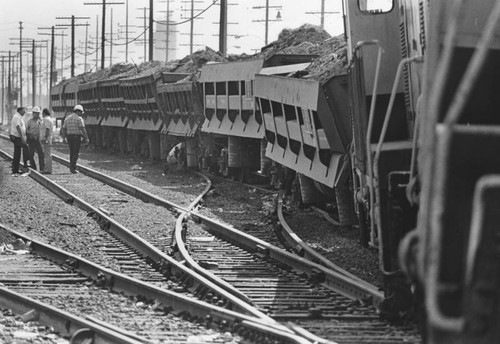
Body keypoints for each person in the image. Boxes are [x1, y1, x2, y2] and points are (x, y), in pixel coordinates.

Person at [61, 104, 89, 174]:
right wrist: (86, 138)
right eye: (81, 113)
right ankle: (73, 168)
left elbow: (63, 129)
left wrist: (64, 138)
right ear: (78, 111)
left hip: (69, 137)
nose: (81, 114)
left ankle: (72, 167)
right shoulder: (79, 119)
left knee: (71, 152)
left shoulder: (67, 118)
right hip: (76, 137)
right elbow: (82, 128)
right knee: (75, 153)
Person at [9, 107, 28, 174]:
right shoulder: (16, 117)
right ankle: (25, 163)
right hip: (16, 137)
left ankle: (15, 170)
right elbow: (18, 127)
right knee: (25, 147)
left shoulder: (19, 117)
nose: (24, 112)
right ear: (19, 110)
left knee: (17, 153)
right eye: (23, 110)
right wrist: (22, 137)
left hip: (17, 137)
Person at [25, 106, 45, 171]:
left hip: (38, 139)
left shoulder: (41, 121)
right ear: (33, 113)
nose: (37, 114)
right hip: (31, 139)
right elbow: (26, 130)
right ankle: (33, 166)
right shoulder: (29, 121)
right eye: (36, 113)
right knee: (31, 153)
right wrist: (29, 135)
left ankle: (42, 168)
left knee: (41, 153)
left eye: (38, 113)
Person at [40, 108, 54, 174]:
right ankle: (47, 169)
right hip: (47, 139)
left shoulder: (47, 119)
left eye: (42, 113)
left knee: (47, 154)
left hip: (47, 139)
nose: (42, 114)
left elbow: (47, 129)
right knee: (47, 154)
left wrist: (45, 138)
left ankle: (48, 170)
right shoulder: (48, 119)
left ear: (44, 113)